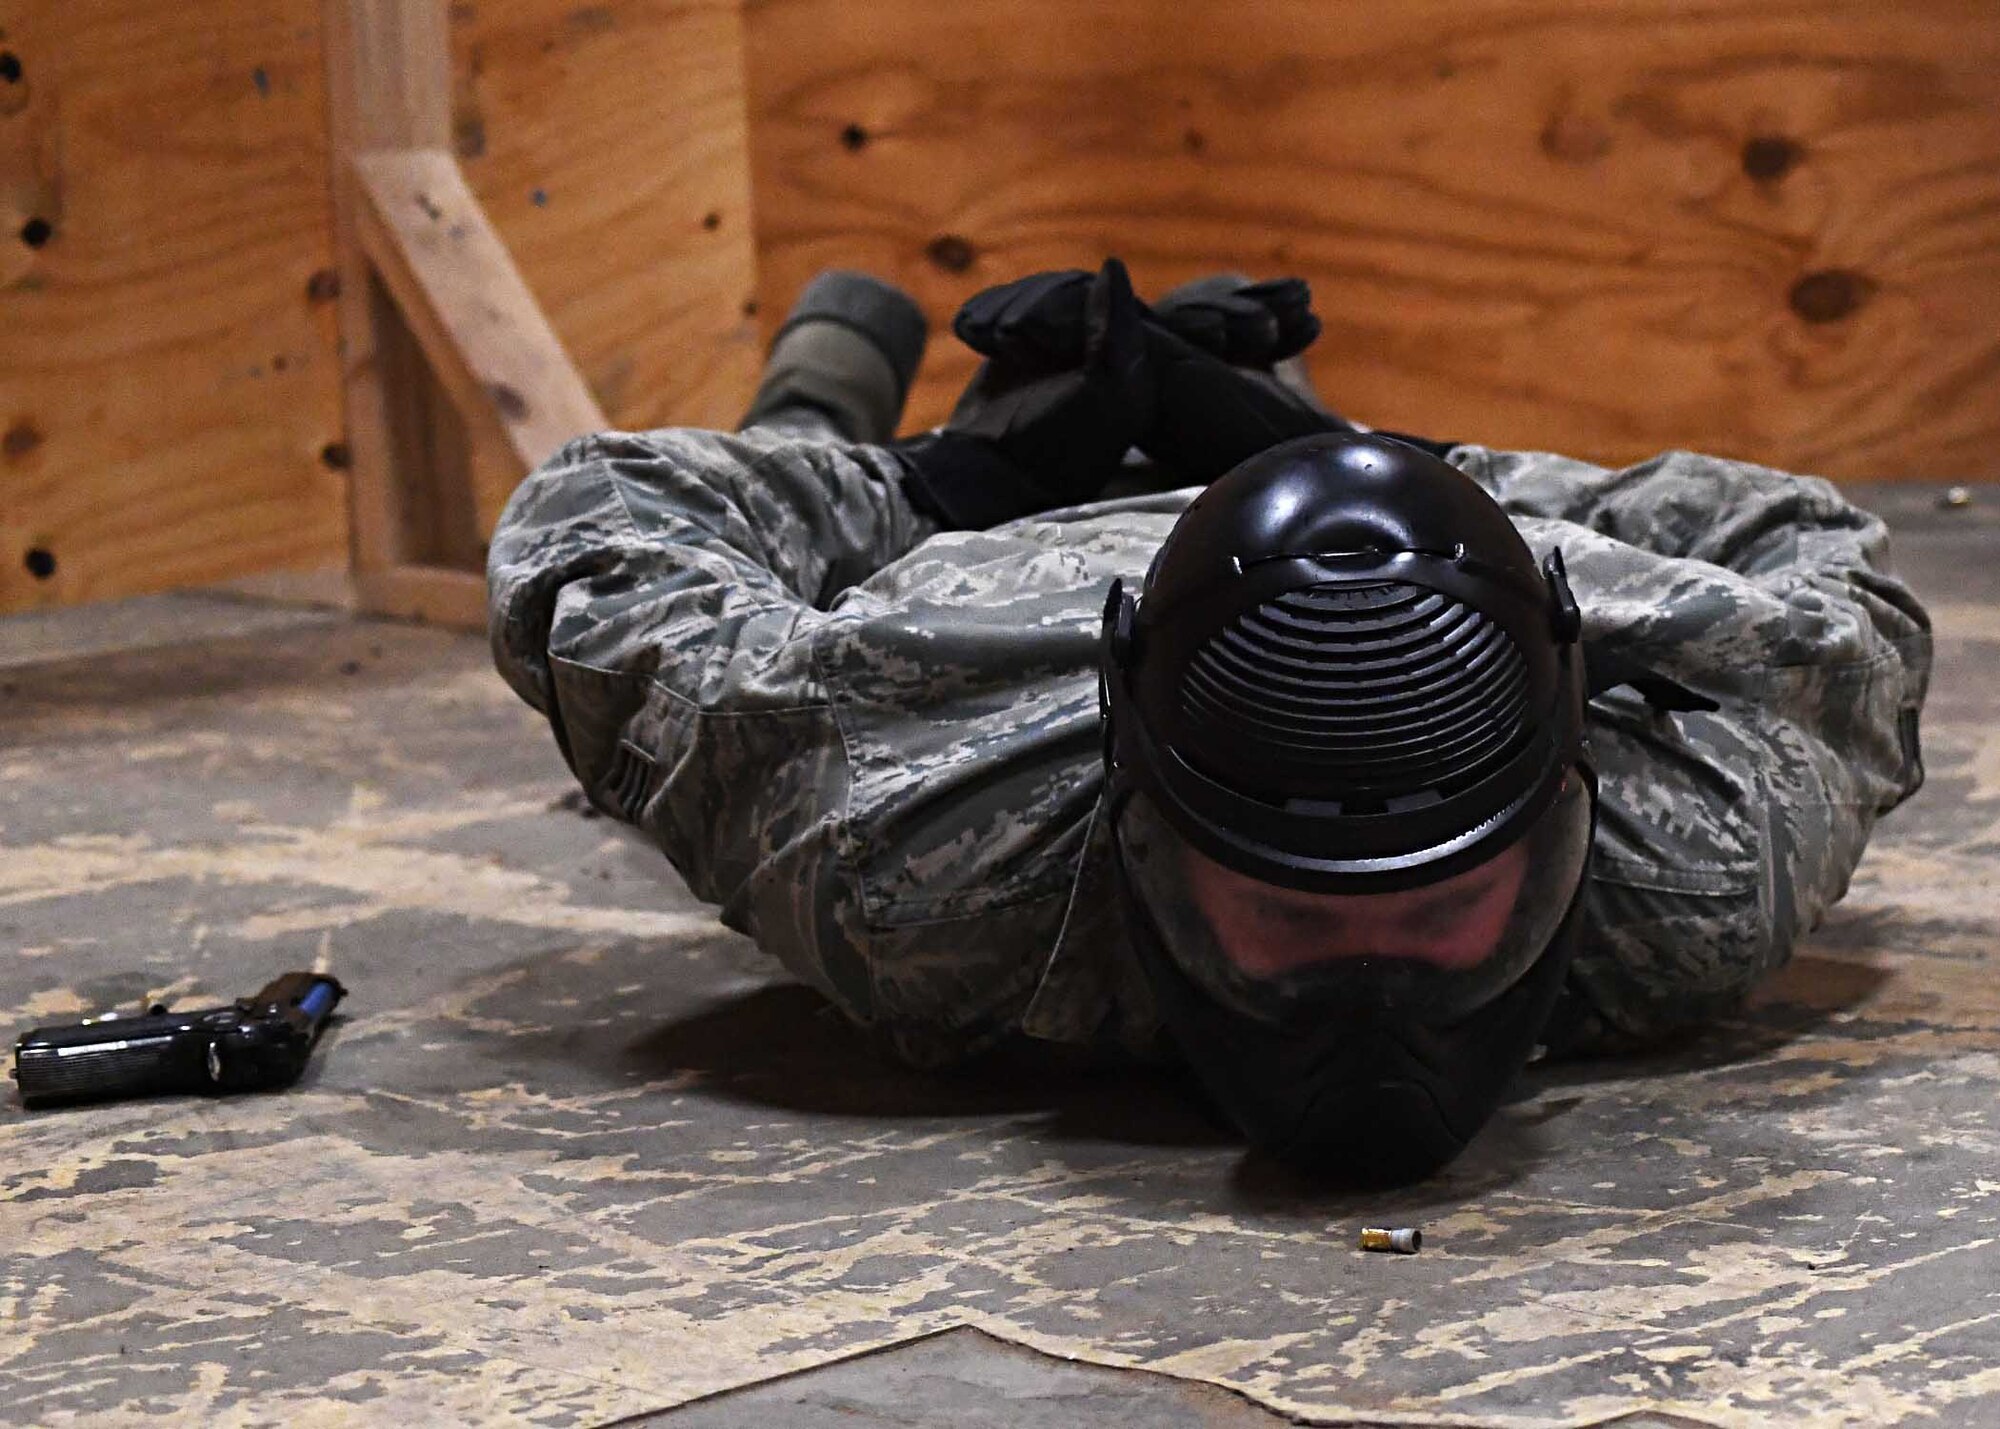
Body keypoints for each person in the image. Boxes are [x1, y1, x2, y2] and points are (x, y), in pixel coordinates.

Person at [487, 261, 1931, 1182]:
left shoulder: (1679, 868)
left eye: (1440, 915)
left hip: (1091, 571)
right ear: (1153, 848)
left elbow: (606, 562)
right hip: (1013, 570)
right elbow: (1826, 591)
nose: (1381, 1018)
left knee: (792, 530)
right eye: (1296, 925)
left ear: (1567, 811)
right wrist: (943, 488)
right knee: (798, 484)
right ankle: (840, 393)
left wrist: (1404, 486)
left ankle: (1166, 400)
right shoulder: (912, 850)